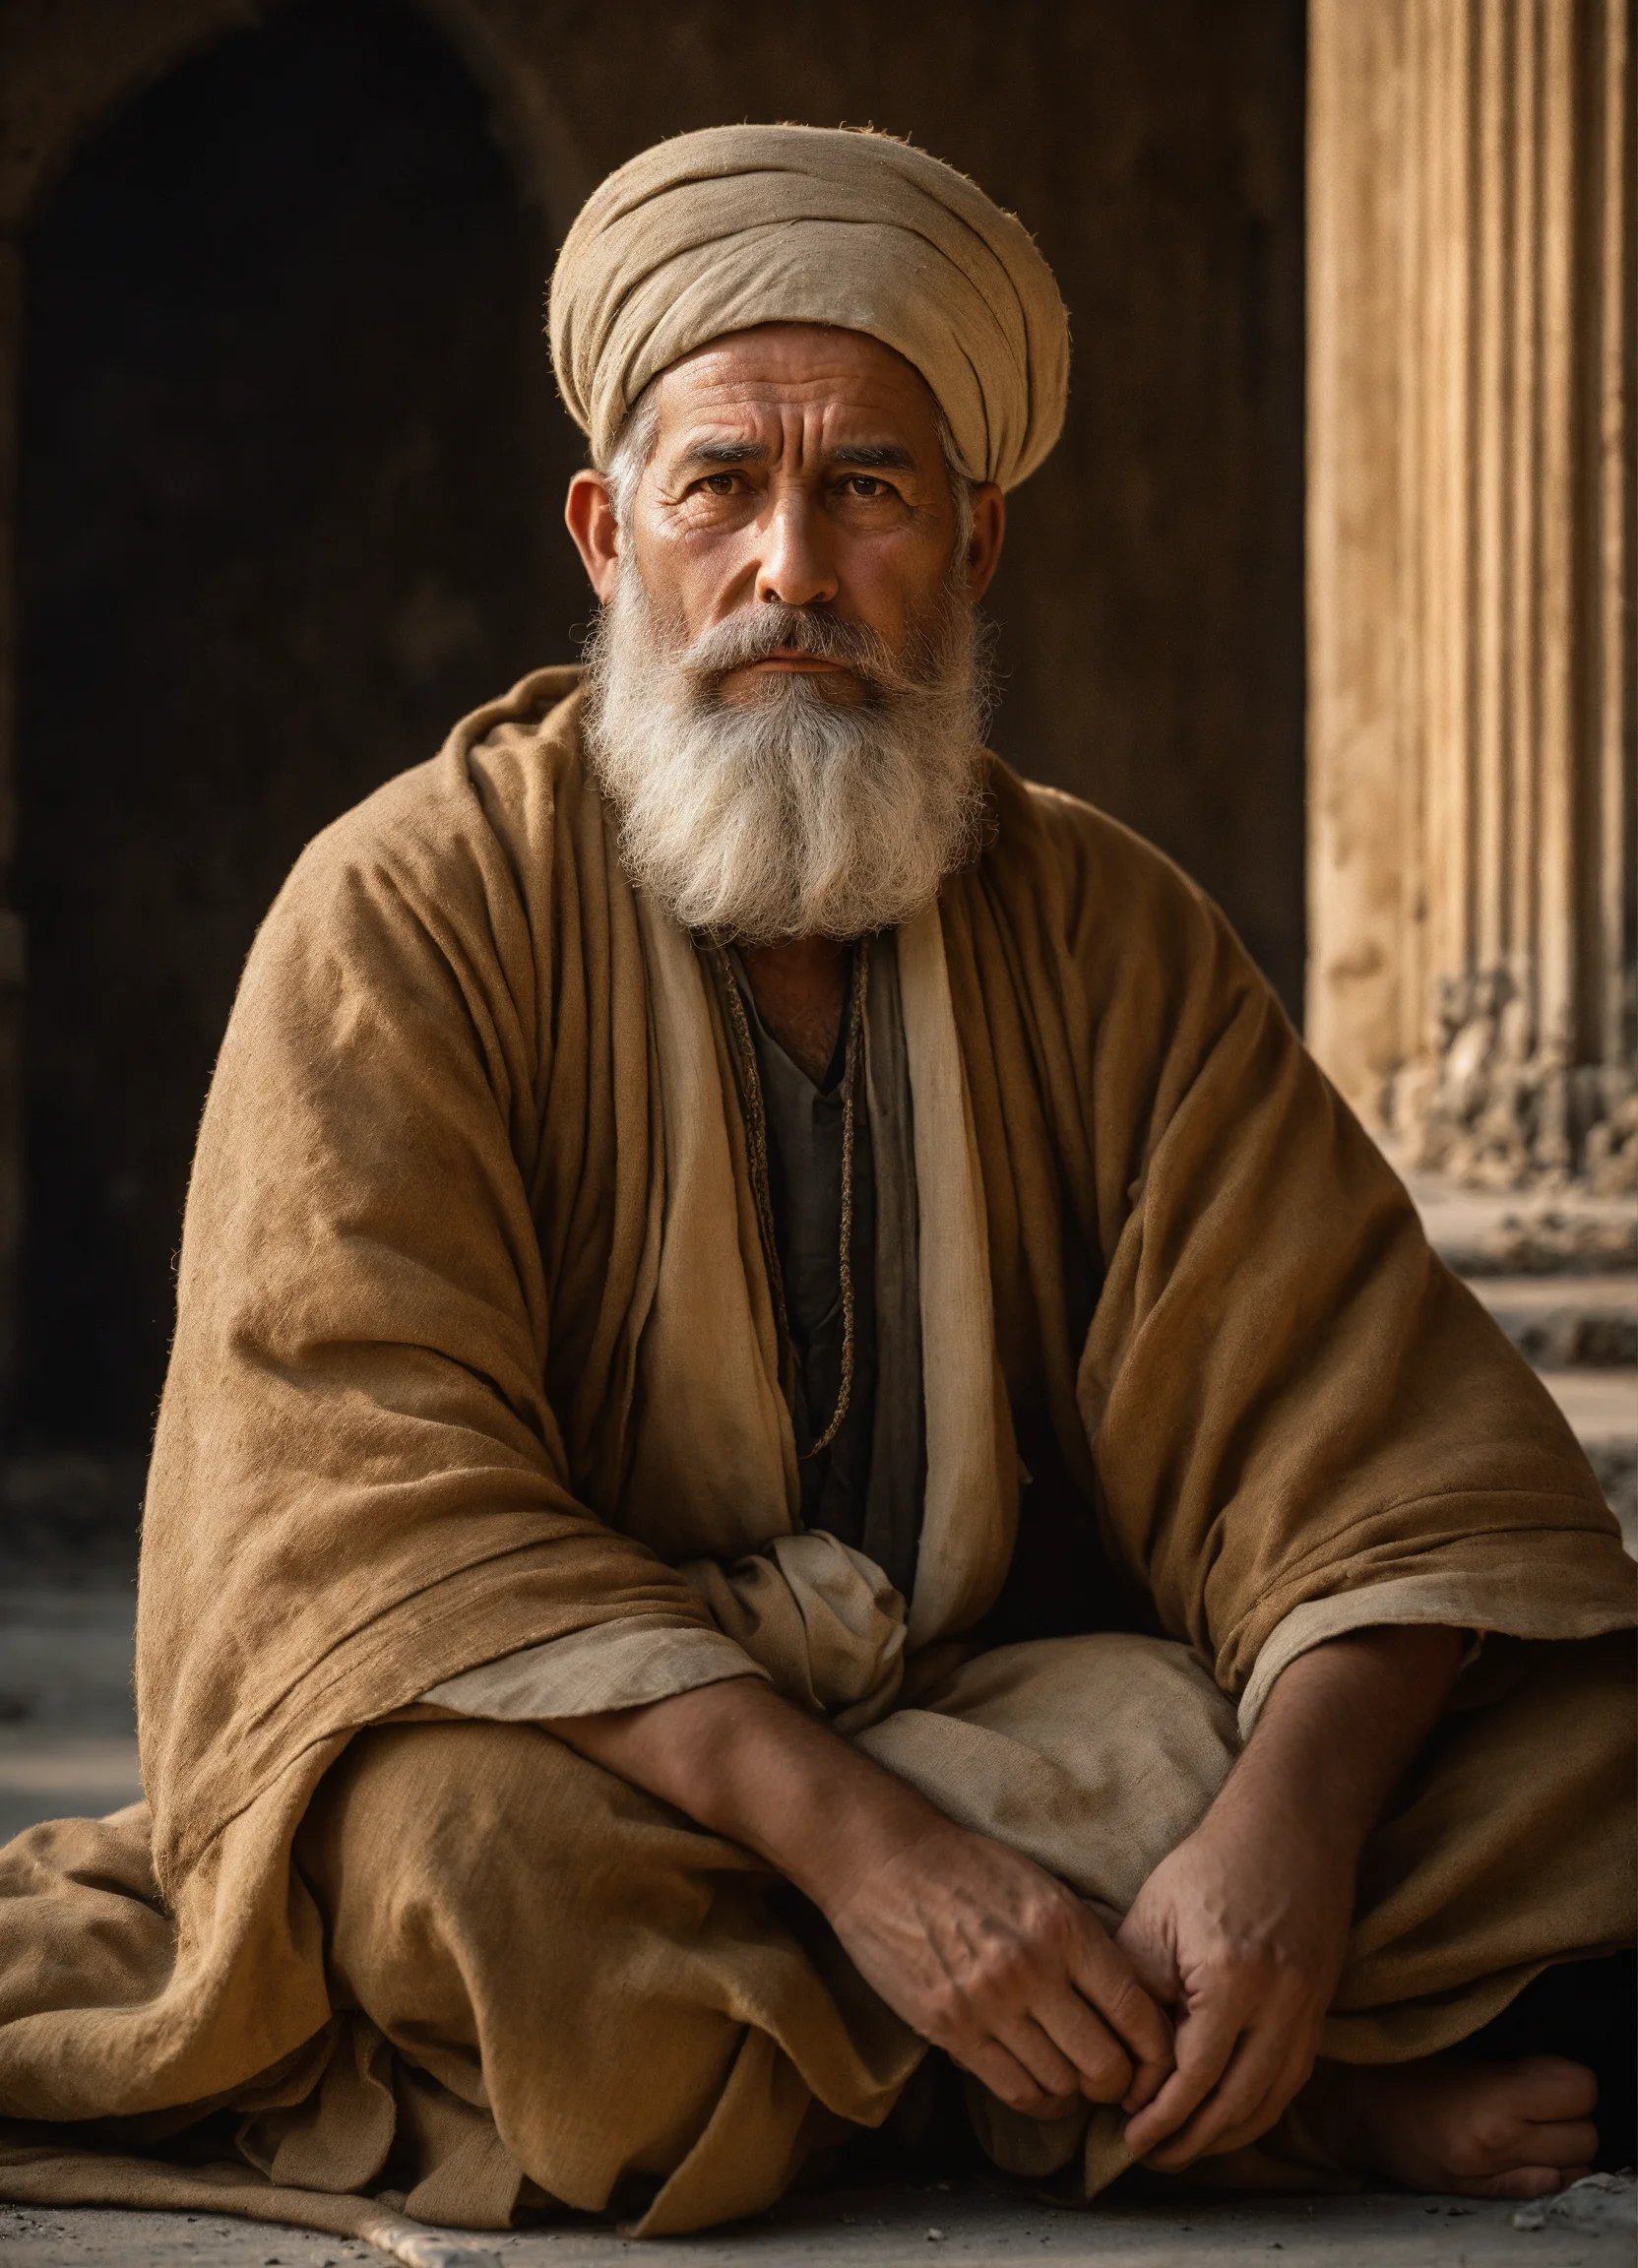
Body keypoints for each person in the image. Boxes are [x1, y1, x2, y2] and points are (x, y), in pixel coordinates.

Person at [1, 124, 1632, 2246]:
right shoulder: (403, 914)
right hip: (630, 1785)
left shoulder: (1103, 929)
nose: (791, 567)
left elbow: (1370, 1463)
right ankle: (1268, 2096)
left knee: (1581, 1754)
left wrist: (1290, 1848)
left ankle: (1116, 2032)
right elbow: (356, 1511)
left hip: (1039, 1732)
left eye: (865, 489)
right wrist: (872, 1859)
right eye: (720, 490)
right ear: (606, 536)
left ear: (976, 543)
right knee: (459, 1873)